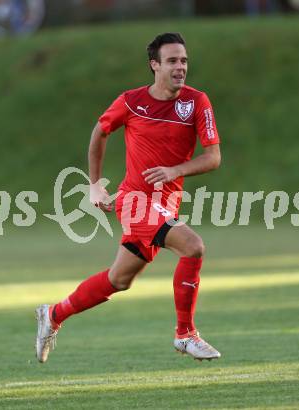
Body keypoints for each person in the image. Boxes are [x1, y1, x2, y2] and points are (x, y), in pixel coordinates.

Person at [35, 32, 222, 363]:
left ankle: (53, 315)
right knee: (193, 247)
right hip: (134, 201)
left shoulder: (196, 102)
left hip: (166, 205)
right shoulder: (131, 101)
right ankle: (185, 334)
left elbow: (213, 157)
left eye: (184, 61)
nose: (180, 67)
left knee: (118, 280)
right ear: (154, 65)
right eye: (172, 61)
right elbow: (100, 132)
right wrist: (95, 185)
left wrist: (175, 170)